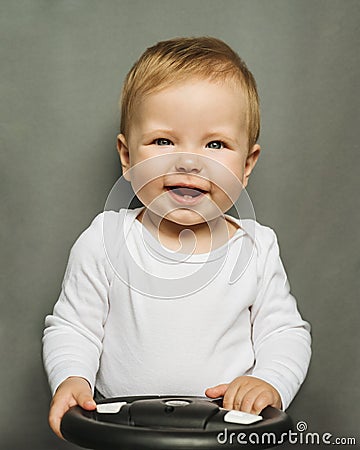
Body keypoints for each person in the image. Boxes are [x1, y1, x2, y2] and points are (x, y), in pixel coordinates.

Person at [43, 36, 311, 439]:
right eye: (163, 141)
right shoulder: (106, 240)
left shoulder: (255, 249)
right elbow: (73, 327)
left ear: (247, 164)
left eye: (215, 144)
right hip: (123, 431)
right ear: (128, 157)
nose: (189, 161)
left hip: (224, 431)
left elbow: (284, 333)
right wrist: (71, 377)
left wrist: (269, 382)